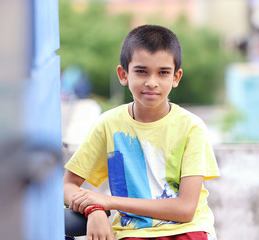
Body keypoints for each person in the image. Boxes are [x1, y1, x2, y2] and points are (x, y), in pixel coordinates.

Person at [63, 24, 220, 240]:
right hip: (130, 234)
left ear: (176, 77)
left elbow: (185, 209)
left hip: (187, 231)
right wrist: (94, 210)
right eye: (141, 71)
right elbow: (68, 184)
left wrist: (109, 202)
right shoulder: (108, 125)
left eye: (163, 73)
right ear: (123, 74)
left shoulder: (191, 128)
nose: (151, 82)